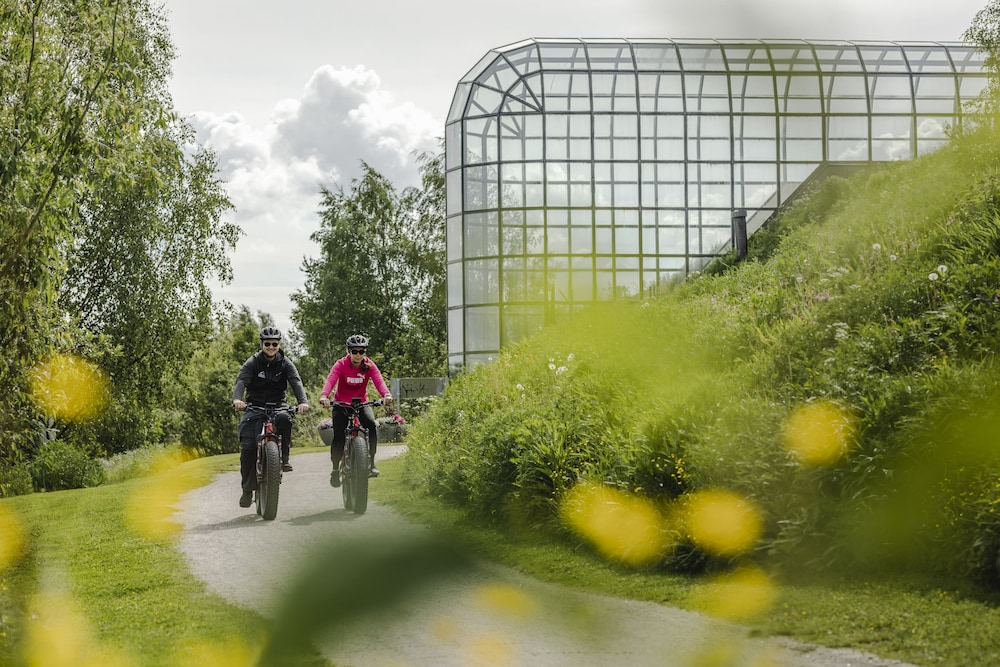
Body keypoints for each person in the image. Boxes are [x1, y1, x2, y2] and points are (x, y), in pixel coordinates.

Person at [232, 326, 310, 508]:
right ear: (262, 344)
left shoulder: (286, 364)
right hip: (254, 406)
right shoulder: (252, 362)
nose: (271, 347)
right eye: (267, 344)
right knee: (248, 447)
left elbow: (296, 382)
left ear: (279, 344)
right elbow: (241, 381)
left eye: (274, 344)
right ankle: (247, 490)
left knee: (284, 419)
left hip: (278, 406)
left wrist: (303, 402)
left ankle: (284, 458)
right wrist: (237, 399)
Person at [319, 333, 392, 485]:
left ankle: (371, 463)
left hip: (361, 404)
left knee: (371, 425)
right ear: (349, 351)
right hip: (341, 405)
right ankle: (335, 469)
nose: (358, 355)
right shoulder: (341, 364)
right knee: (339, 435)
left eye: (361, 351)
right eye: (354, 351)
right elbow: (331, 380)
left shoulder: (369, 365)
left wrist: (386, 394)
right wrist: (324, 395)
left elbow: (379, 380)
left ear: (364, 352)